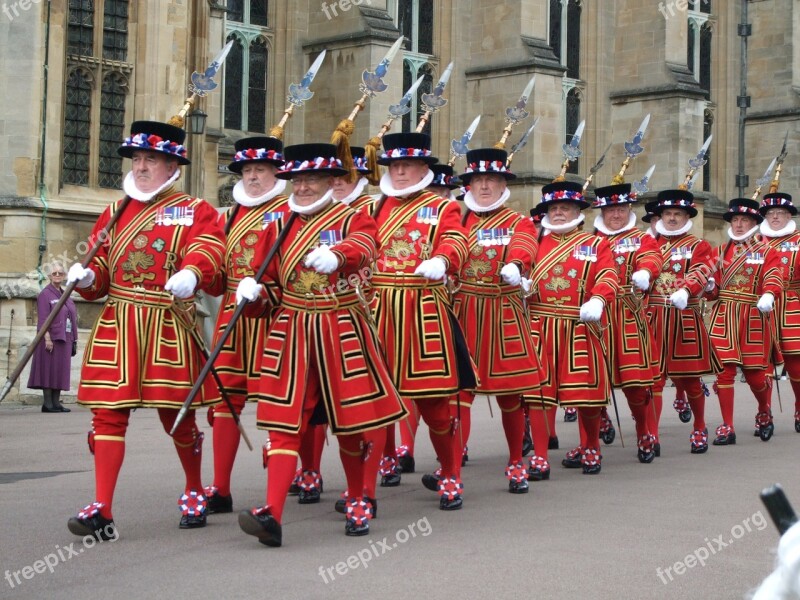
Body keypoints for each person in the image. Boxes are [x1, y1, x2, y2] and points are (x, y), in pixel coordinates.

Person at [235, 142, 407, 546]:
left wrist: (339, 255)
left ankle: (360, 497)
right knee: (283, 424)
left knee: (351, 422)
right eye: (297, 179)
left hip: (340, 325)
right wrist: (254, 294)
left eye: (312, 179)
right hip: (292, 331)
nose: (304, 187)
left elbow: (366, 247)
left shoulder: (352, 217)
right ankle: (272, 514)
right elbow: (272, 288)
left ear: (332, 180)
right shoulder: (278, 225)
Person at [65, 120, 226, 539]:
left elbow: (208, 248)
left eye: (149, 159)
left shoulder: (195, 209)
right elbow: (101, 270)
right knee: (107, 417)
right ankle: (102, 506)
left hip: (167, 321)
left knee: (179, 416)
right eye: (136, 159)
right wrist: (86, 277)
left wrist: (193, 272)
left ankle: (193, 488)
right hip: (119, 321)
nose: (140, 167)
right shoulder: (115, 210)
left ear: (172, 164)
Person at [371, 132, 474, 510]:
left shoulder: (441, 207)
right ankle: (369, 479)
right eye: (394, 166)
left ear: (422, 169)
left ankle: (450, 473)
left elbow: (456, 240)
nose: (399, 172)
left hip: (423, 309)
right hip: (378, 309)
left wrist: (443, 260)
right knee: (374, 399)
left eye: (407, 166)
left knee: (434, 404)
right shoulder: (373, 208)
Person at [203, 136, 289, 514]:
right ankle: (220, 487)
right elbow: (218, 275)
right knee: (226, 398)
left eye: (261, 170)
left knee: (284, 401)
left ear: (276, 173)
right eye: (248, 170)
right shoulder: (227, 216)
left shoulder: (291, 210)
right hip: (232, 318)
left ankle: (302, 475)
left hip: (276, 313)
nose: (253, 177)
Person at [451, 147, 541, 493]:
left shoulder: (517, 221)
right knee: (458, 393)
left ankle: (516, 462)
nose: (484, 186)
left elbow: (525, 244)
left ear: (503, 183)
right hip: (463, 310)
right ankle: (452, 469)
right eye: (478, 180)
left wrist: (516, 265)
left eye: (491, 179)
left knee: (511, 395)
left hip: (503, 312)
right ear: (469, 184)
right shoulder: (457, 220)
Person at [524, 181, 620, 478]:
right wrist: (519, 282)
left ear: (577, 210)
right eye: (553, 208)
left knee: (586, 394)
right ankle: (540, 456)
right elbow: (519, 266)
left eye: (565, 208)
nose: (559, 213)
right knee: (539, 395)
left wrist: (599, 298)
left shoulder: (595, 244)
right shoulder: (535, 241)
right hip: (541, 326)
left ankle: (590, 446)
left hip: (581, 324)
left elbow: (608, 274)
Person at [646, 189, 722, 454]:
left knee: (690, 380)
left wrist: (687, 288)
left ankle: (700, 426)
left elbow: (702, 270)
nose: (672, 218)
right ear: (660, 216)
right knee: (653, 380)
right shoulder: (649, 244)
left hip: (684, 316)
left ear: (686, 216)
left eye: (678, 214)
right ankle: (651, 434)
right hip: (653, 316)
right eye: (668, 213)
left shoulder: (698, 245)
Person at [591, 183, 663, 463]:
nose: (616, 215)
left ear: (629, 209)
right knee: (593, 380)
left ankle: (644, 431)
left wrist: (645, 271)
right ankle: (594, 435)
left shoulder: (640, 238)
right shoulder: (590, 240)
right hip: (598, 316)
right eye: (610, 210)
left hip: (629, 314)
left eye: (621, 209)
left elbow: (652, 256)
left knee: (634, 382)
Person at [706, 198, 783, 445]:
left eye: (744, 220)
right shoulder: (719, 252)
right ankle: (727, 425)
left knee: (755, 376)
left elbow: (774, 275)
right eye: (736, 220)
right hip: (725, 314)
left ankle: (764, 410)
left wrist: (769, 293)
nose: (739, 224)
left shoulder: (766, 250)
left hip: (752, 314)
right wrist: (709, 286)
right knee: (724, 373)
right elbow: (713, 289)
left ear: (753, 222)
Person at [758, 191, 800, 434]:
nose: (775, 217)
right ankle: (764, 411)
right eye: (770, 213)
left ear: (788, 215)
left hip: (792, 305)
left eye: (780, 213)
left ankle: (799, 405)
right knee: (760, 364)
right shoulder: (754, 241)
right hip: (761, 307)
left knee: (795, 365)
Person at [27, 261, 77, 413]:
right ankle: (47, 404)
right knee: (48, 370)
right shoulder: (45, 294)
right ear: (49, 276)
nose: (57, 276)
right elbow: (43, 318)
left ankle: (56, 403)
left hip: (65, 337)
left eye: (60, 273)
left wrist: (74, 339)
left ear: (64, 276)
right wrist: (46, 338)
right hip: (50, 338)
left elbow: (71, 316)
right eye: (54, 273)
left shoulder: (65, 294)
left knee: (60, 370)